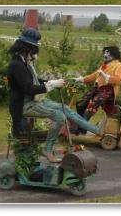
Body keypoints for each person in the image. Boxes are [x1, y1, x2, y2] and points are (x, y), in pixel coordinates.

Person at [7, 28, 105, 163]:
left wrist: (52, 82)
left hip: (35, 101)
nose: (35, 53)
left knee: (65, 108)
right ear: (27, 47)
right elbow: (28, 88)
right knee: (60, 116)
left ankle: (95, 130)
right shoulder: (17, 65)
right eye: (34, 50)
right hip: (24, 105)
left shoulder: (24, 63)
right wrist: (51, 85)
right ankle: (47, 150)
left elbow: (34, 81)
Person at [73, 46, 121, 131]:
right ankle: (81, 124)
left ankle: (81, 127)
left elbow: (118, 80)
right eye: (104, 52)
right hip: (98, 88)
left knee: (93, 104)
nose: (104, 55)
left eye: (107, 53)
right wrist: (81, 79)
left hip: (109, 90)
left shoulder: (119, 66)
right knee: (80, 102)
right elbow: (94, 76)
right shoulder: (104, 65)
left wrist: (106, 76)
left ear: (113, 54)